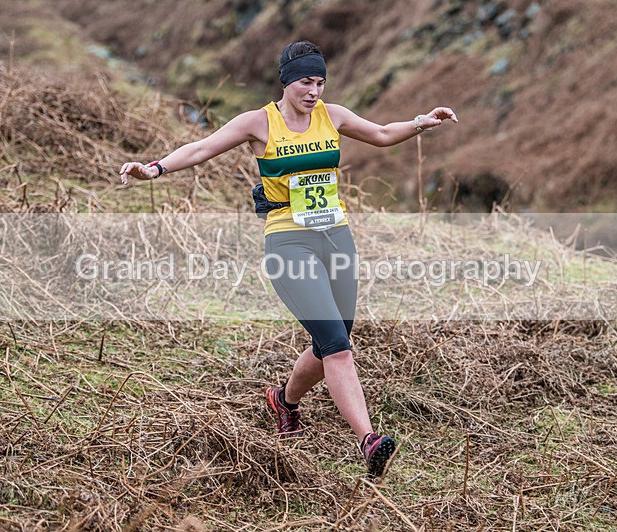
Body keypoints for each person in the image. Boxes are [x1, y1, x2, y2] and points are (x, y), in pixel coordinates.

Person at [119, 41, 457, 478]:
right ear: (286, 81)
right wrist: (155, 169)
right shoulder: (258, 122)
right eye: (305, 82)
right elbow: (202, 147)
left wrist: (421, 122)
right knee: (338, 346)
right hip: (288, 242)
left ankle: (284, 400)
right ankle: (368, 440)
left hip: (337, 238)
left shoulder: (331, 115)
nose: (313, 91)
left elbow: (380, 134)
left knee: (329, 341)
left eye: (320, 82)